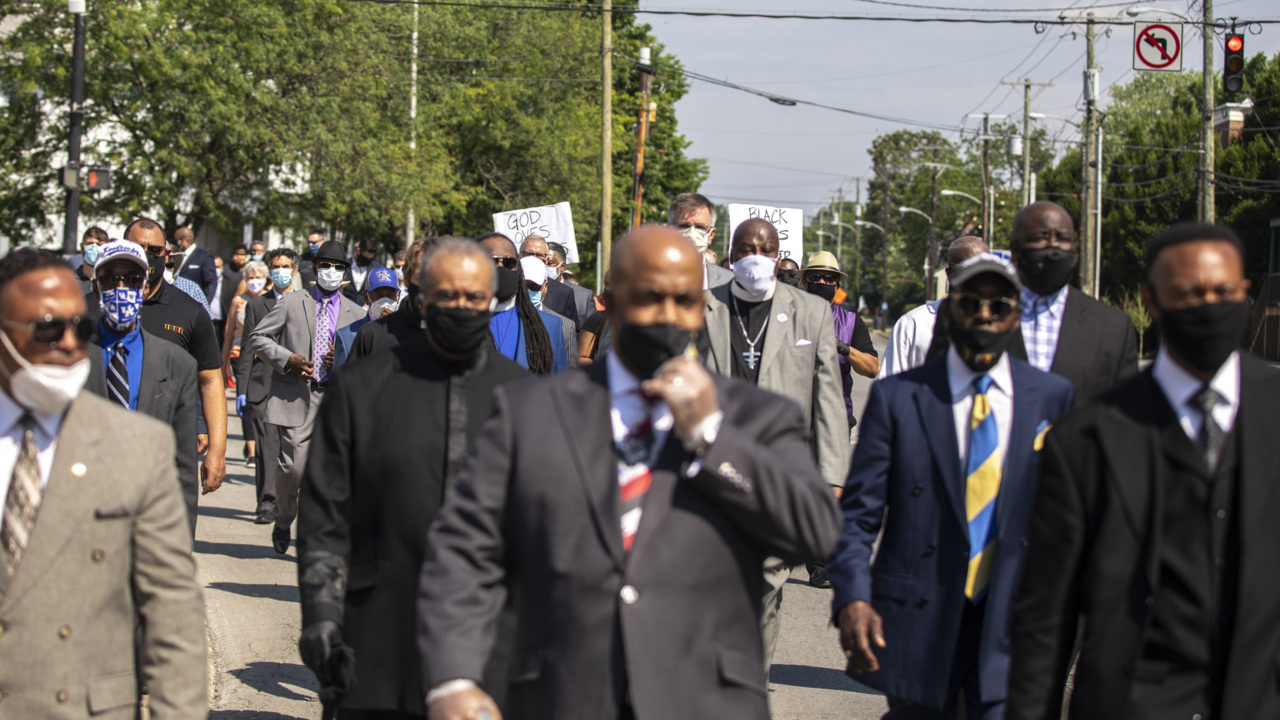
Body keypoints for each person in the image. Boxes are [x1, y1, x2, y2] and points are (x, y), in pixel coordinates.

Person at [417, 224, 841, 720]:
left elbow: (813, 530)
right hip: (560, 695)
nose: (666, 314)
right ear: (611, 303)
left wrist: (711, 437)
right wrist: (453, 678)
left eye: (682, 298)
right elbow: (462, 551)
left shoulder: (756, 418)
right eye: (646, 296)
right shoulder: (529, 413)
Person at [1008, 223, 1276, 720]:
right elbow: (1046, 618)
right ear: (1151, 300)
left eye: (1224, 292)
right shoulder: (1087, 438)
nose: (1208, 305)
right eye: (1189, 293)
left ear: (1246, 294)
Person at [830, 253, 1075, 720]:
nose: (984, 315)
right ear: (949, 310)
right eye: (969, 303)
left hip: (1011, 622)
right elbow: (858, 518)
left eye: (998, 305)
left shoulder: (1051, 396)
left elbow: (1068, 520)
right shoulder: (900, 398)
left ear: (1017, 313)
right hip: (919, 617)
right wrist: (854, 599)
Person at [297, 238, 529, 719]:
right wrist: (321, 615)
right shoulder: (360, 390)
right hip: (377, 638)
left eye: (473, 297)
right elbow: (326, 516)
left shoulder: (525, 400)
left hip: (491, 645)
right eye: (447, 296)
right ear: (421, 299)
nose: (461, 307)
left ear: (492, 300)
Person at [0, 249, 207, 718]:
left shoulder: (135, 446)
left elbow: (174, 615)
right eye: (50, 328)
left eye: (78, 327)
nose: (72, 345)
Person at [702, 217, 849, 671]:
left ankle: (751, 678)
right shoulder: (703, 307)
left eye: (766, 250)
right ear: (731, 257)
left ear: (778, 254)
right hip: (712, 470)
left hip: (780, 474)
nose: (756, 258)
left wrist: (832, 477)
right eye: (746, 249)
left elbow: (828, 397)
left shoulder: (811, 312)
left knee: (768, 581)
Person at [248, 240, 365, 554]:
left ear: (344, 273)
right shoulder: (291, 301)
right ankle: (284, 517)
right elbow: (258, 337)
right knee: (292, 469)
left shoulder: (357, 312)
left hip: (337, 398)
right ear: (315, 268)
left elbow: (365, 356)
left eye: (338, 267)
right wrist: (288, 358)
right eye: (325, 265)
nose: (331, 271)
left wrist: (341, 360)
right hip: (298, 394)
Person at [84, 240, 201, 535]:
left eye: (132, 279)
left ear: (145, 288)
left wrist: (180, 544)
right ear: (97, 287)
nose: (121, 288)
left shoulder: (177, 364)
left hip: (148, 523)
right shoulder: (68, 358)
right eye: (111, 279)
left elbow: (183, 469)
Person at [120, 218, 227, 498]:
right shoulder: (92, 308)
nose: (144, 255)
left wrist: (217, 450)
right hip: (106, 445)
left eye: (153, 250)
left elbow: (211, 381)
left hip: (171, 450)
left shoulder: (189, 312)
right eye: (136, 247)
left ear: (167, 254)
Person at [799, 249, 879, 589]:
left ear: (837, 285)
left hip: (835, 418)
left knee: (829, 493)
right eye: (815, 276)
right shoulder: (787, 315)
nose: (822, 282)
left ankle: (821, 564)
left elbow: (872, 368)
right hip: (792, 417)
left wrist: (843, 348)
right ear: (804, 280)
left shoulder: (850, 322)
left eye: (829, 278)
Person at [1006, 202, 1138, 401]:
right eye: (1042, 238)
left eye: (1063, 238)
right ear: (1015, 249)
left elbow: (1126, 416)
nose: (1053, 247)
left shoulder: (1113, 328)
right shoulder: (979, 314)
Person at [237, 248, 297, 523]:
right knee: (265, 449)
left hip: (295, 386)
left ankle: (288, 501)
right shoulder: (257, 304)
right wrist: (242, 389)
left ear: (294, 270)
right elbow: (248, 349)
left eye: (285, 266)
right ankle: (266, 502)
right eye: (276, 266)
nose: (280, 270)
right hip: (262, 386)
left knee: (292, 449)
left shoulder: (302, 304)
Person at [879, 236, 988, 378]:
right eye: (966, 269)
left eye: (981, 270)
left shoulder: (1003, 324)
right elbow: (891, 387)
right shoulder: (913, 323)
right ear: (949, 274)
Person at [481, 233, 572, 374]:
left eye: (508, 262)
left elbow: (558, 384)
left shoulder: (550, 325)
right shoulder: (461, 321)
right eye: (491, 260)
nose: (500, 267)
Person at [349, 237, 435, 362]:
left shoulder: (455, 336)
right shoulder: (371, 335)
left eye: (437, 277)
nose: (430, 284)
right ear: (406, 278)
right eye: (422, 276)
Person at [221, 259, 269, 464]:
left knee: (260, 404)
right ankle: (251, 450)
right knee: (248, 403)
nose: (254, 281)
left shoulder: (272, 301)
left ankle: (261, 442)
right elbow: (228, 333)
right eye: (250, 278)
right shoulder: (238, 302)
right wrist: (222, 366)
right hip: (239, 355)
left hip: (264, 359)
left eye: (258, 278)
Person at [333, 265, 400, 369]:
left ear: (398, 296)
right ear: (366, 297)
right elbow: (340, 382)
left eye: (390, 295)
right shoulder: (347, 335)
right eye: (378, 295)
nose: (385, 302)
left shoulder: (406, 333)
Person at [520, 255, 578, 367]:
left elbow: (570, 373)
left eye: (533, 287)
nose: (527, 292)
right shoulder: (500, 321)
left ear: (545, 287)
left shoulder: (564, 326)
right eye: (522, 286)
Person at [669, 191, 733, 288]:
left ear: (711, 235)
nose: (692, 233)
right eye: (684, 226)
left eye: (700, 227)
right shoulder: (648, 277)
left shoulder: (728, 282)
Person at [520, 235, 580, 330]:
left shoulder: (564, 293)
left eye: (539, 255)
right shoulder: (507, 287)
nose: (534, 258)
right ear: (520, 255)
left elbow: (571, 333)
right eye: (529, 253)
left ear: (547, 259)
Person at [547, 241, 596, 324]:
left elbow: (592, 331)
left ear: (562, 266)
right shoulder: (532, 292)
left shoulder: (583, 296)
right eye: (542, 262)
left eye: (550, 263)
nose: (544, 266)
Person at [173, 226, 218, 301]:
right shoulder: (176, 256)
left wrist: (204, 304)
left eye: (176, 241)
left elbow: (211, 283)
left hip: (194, 303)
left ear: (182, 239)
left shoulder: (204, 256)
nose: (176, 244)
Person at [72, 225, 108, 295]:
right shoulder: (70, 281)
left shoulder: (112, 281)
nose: (94, 248)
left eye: (99, 244)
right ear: (82, 247)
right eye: (90, 243)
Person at [344, 237, 379, 304]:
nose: (367, 261)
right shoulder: (345, 265)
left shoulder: (376, 269)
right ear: (358, 250)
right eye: (365, 258)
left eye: (370, 259)